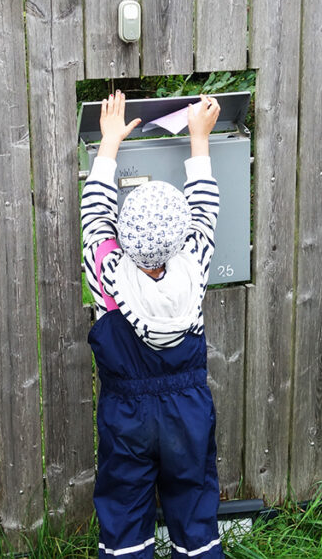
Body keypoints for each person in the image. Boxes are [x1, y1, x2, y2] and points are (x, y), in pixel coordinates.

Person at [81, 89, 223, 559]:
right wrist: (199, 138)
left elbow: (93, 215)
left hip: (126, 417)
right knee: (194, 506)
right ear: (182, 237)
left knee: (124, 513)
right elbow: (205, 208)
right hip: (188, 409)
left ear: (122, 234)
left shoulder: (107, 273)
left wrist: (109, 144)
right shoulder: (194, 265)